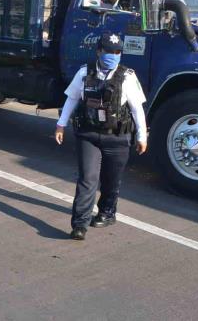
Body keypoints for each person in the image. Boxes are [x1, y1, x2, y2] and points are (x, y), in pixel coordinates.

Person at [54, 32, 148, 241]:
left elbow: (136, 110)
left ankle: (107, 212)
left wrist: (142, 136)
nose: (112, 55)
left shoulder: (127, 77)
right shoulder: (84, 73)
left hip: (117, 138)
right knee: (88, 179)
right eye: (108, 51)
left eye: (117, 52)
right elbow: (72, 99)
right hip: (89, 135)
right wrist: (60, 125)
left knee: (111, 181)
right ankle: (80, 224)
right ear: (99, 51)